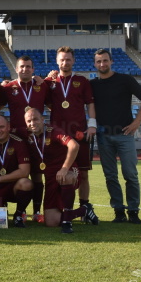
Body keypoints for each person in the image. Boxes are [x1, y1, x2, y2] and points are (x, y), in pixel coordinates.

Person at [90, 49, 141, 224]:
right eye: (99, 61)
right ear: (95, 64)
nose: (102, 64)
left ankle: (133, 211)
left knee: (130, 174)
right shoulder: (92, 84)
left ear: (112, 61)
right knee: (110, 176)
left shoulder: (125, 80)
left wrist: (136, 122)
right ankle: (118, 212)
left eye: (105, 60)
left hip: (125, 135)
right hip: (103, 136)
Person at [24, 108, 99, 233]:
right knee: (51, 222)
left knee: (67, 177)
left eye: (36, 119)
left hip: (67, 170)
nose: (33, 123)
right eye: (29, 121)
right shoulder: (27, 134)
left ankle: (67, 222)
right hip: (50, 179)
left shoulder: (54, 131)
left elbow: (74, 145)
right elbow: (3, 130)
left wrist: (64, 168)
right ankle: (85, 210)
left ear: (43, 120)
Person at [45, 46, 97, 211]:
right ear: (57, 61)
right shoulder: (50, 82)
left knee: (83, 174)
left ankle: (84, 207)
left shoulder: (82, 81)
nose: (65, 62)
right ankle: (57, 206)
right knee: (55, 172)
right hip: (57, 136)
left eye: (68, 59)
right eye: (62, 59)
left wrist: (92, 125)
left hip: (79, 133)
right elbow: (41, 99)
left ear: (73, 61)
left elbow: (90, 103)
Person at [1, 55, 50, 222]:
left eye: (28, 66)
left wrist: (52, 77)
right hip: (15, 138)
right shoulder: (8, 88)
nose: (25, 69)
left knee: (37, 175)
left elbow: (54, 103)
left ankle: (36, 212)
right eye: (22, 66)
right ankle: (17, 211)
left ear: (33, 69)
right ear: (16, 69)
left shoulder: (42, 86)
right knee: (15, 174)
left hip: (36, 138)